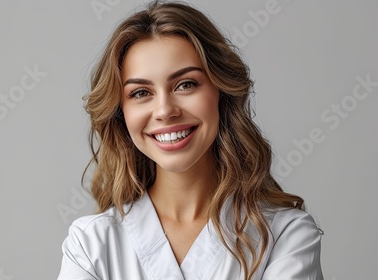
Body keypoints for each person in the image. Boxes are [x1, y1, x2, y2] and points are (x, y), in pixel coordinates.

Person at [57, 1, 324, 279]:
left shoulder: (286, 236)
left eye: (186, 84)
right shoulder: (89, 246)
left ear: (221, 92)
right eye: (140, 93)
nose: (165, 111)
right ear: (119, 113)